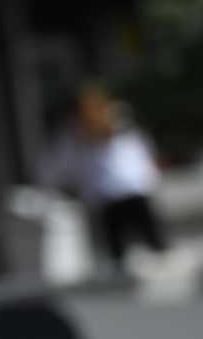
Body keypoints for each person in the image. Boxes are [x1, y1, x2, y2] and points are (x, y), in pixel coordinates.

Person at [42, 82, 171, 270]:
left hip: (129, 193)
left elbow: (137, 153)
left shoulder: (118, 122)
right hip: (111, 199)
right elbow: (55, 171)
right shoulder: (72, 138)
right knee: (120, 256)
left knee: (152, 248)